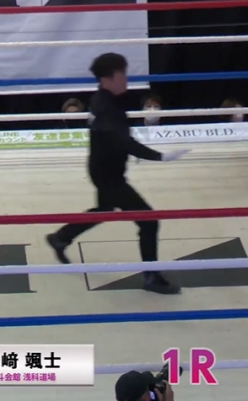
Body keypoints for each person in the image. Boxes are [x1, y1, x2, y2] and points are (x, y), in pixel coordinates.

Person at [46, 53, 190, 295]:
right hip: (109, 175)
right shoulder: (107, 108)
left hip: (102, 167)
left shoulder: (102, 98)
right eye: (121, 73)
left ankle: (60, 237)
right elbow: (124, 141)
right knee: (149, 221)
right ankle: (151, 276)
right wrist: (160, 156)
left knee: (104, 209)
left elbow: (117, 138)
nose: (126, 78)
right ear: (107, 78)